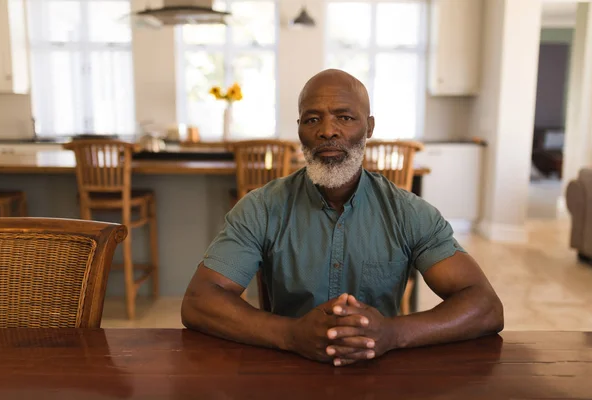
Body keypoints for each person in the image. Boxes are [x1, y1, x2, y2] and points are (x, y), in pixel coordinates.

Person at [181, 69, 504, 367]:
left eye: (345, 117)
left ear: (369, 127)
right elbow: (200, 300)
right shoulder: (261, 208)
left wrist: (392, 333)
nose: (327, 131)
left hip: (381, 367)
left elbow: (485, 306)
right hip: (286, 365)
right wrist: (290, 334)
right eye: (312, 120)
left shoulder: (409, 213)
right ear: (299, 130)